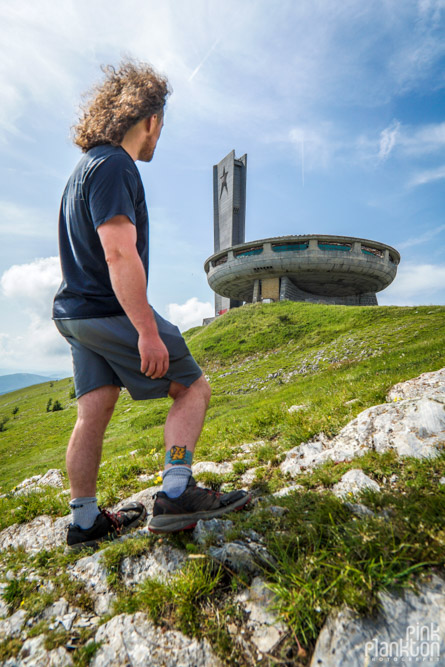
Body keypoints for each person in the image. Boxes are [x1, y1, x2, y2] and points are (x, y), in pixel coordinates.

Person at [53, 60, 250, 551]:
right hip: (108, 310)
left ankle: (85, 522)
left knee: (93, 409)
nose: (158, 138)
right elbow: (119, 252)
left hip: (76, 315)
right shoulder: (117, 166)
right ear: (150, 120)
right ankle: (178, 494)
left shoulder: (82, 171)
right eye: (161, 126)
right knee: (193, 388)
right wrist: (145, 329)